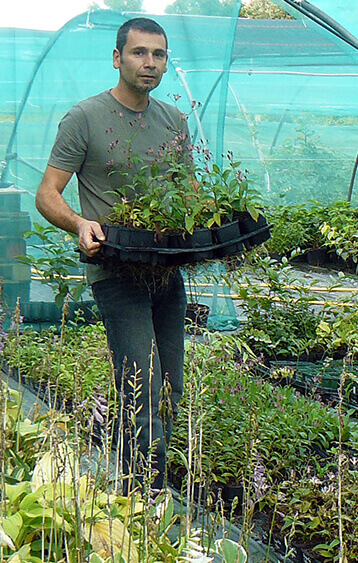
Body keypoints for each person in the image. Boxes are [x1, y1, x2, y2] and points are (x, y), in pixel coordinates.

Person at [36, 17, 190, 494]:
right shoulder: (85, 118)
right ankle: (145, 500)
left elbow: (189, 192)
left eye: (159, 55)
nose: (150, 63)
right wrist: (81, 224)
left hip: (166, 273)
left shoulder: (173, 121)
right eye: (140, 53)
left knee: (169, 389)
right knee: (141, 384)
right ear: (118, 57)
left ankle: (135, 489)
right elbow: (47, 194)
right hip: (116, 273)